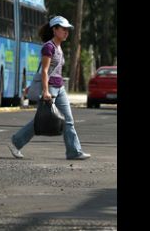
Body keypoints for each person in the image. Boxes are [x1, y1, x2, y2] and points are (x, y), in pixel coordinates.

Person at [7, 16, 91, 160]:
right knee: (42, 121)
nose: (66, 32)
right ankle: (15, 142)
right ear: (55, 29)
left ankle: (74, 151)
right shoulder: (48, 47)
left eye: (67, 30)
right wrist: (45, 91)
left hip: (60, 88)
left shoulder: (58, 46)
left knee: (68, 120)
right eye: (63, 29)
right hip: (50, 88)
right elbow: (44, 70)